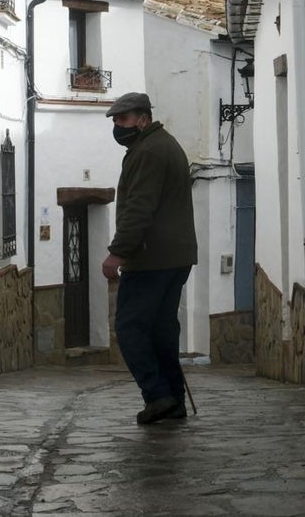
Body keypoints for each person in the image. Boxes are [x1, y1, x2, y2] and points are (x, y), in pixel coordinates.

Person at [101, 91, 197, 425]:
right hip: (174, 256)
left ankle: (157, 396)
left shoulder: (148, 151)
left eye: (123, 119)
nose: (118, 125)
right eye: (115, 120)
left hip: (151, 258)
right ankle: (173, 399)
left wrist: (117, 252)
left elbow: (139, 209)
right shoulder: (162, 145)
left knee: (129, 328)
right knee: (160, 331)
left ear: (143, 119)